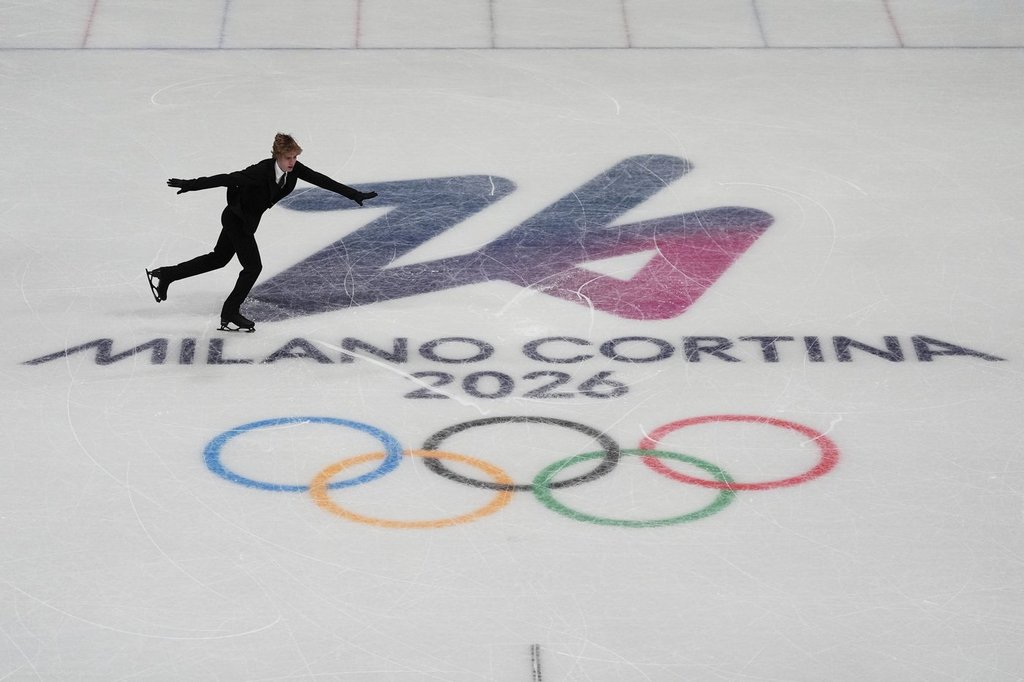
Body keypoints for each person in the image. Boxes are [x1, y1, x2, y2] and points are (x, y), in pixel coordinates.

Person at [146, 133, 377, 331]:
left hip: (244, 221)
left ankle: (166, 274)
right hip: (236, 219)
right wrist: (191, 184)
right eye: (288, 157)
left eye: (295, 157)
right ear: (277, 155)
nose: (293, 162)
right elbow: (228, 178)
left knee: (218, 259)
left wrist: (354, 194)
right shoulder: (260, 171)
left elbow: (321, 180)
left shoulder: (294, 170)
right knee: (253, 267)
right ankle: (230, 312)